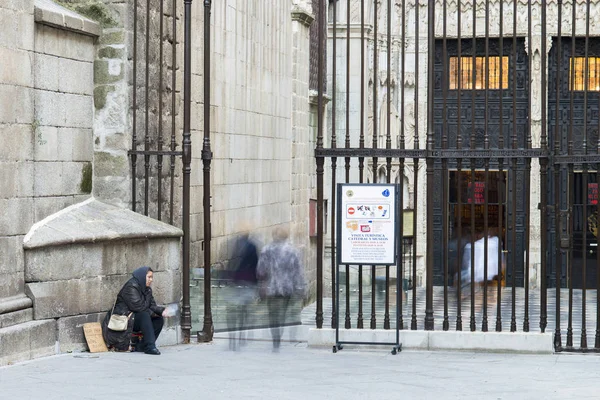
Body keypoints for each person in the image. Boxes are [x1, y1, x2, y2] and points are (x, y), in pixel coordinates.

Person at [257, 226, 306, 351]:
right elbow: (298, 272)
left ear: (273, 236)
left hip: (271, 288)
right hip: (286, 288)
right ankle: (279, 336)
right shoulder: (292, 251)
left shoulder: (266, 250)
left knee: (272, 315)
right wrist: (300, 288)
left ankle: (276, 339)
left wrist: (260, 285)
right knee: (282, 314)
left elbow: (260, 271)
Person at [102, 266, 168, 355]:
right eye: (149, 277)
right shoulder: (131, 287)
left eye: (152, 277)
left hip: (134, 317)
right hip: (124, 318)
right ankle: (150, 346)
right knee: (144, 315)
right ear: (141, 276)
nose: (151, 280)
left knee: (158, 319)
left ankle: (142, 345)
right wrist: (153, 313)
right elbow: (138, 307)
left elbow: (152, 305)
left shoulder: (146, 289)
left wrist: (162, 311)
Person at [225, 229, 259, 350]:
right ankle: (242, 335)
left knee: (234, 311)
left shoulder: (235, 245)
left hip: (236, 281)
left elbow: (231, 263)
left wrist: (229, 278)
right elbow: (256, 264)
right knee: (245, 310)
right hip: (248, 282)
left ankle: (233, 338)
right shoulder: (252, 246)